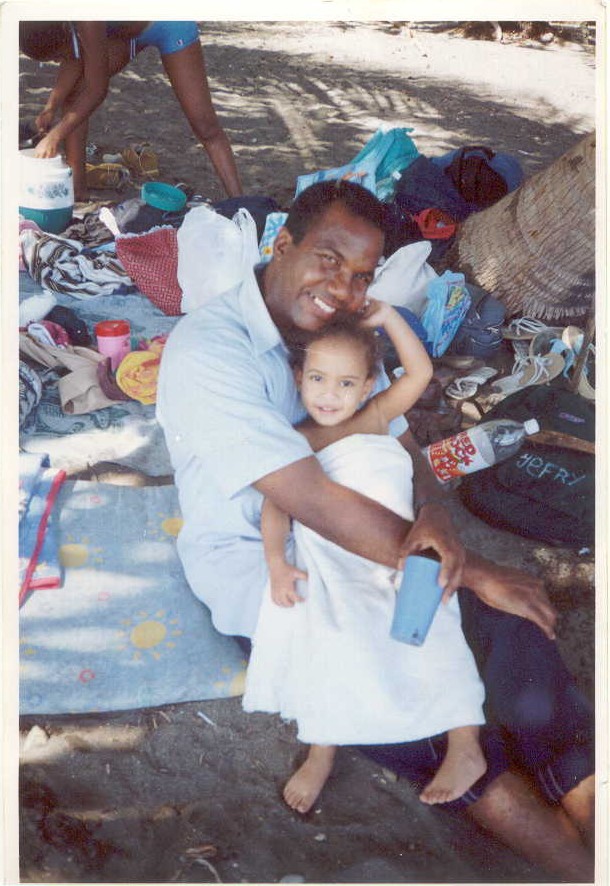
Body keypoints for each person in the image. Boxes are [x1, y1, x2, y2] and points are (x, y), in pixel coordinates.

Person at [157, 180, 594, 881]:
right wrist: (469, 565)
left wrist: (437, 521)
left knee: (508, 630)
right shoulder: (209, 348)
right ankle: (573, 862)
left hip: (370, 535)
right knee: (387, 685)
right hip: (267, 559)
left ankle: (583, 793)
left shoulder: (345, 336)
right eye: (329, 259)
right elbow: (305, 495)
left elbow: (400, 442)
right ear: (281, 244)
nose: (343, 287)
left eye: (361, 274)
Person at [248, 304, 488, 813]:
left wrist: (386, 318)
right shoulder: (297, 441)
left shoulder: (377, 416)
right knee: (332, 639)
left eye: (344, 384)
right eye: (317, 379)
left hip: (402, 553)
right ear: (298, 378)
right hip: (336, 561)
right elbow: (277, 505)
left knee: (441, 623)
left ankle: (465, 745)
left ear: (367, 386)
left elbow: (420, 372)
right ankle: (322, 749)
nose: (328, 396)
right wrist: (276, 562)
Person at [19, 21, 243, 200]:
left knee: (204, 126)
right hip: (126, 33)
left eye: (56, 56)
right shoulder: (67, 26)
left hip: (168, 22)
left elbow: (97, 90)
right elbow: (72, 57)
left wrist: (54, 136)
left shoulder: (87, 19)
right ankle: (77, 192)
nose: (58, 61)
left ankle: (240, 202)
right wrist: (50, 108)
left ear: (66, 34)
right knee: (74, 96)